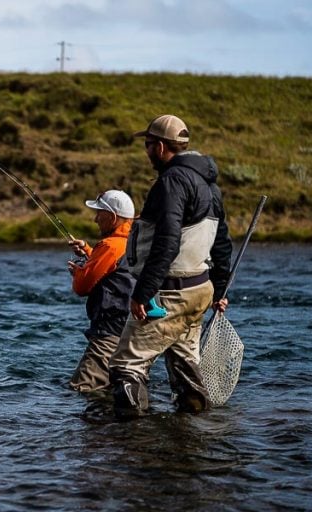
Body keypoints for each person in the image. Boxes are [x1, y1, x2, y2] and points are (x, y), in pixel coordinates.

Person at [108, 114, 232, 419]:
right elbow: (222, 244)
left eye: (149, 144)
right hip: (199, 291)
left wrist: (142, 292)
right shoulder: (210, 186)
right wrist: (219, 290)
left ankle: (133, 443)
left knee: (126, 367)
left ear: (162, 147)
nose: (146, 151)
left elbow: (168, 241)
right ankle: (192, 432)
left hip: (170, 293)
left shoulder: (172, 181)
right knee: (184, 365)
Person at [67, 190, 136, 393]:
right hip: (133, 330)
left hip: (110, 332)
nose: (95, 219)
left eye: (99, 213)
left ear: (113, 217)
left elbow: (82, 287)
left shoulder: (110, 245)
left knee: (82, 388)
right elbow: (118, 269)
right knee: (118, 389)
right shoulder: (135, 241)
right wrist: (90, 253)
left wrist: (78, 271)